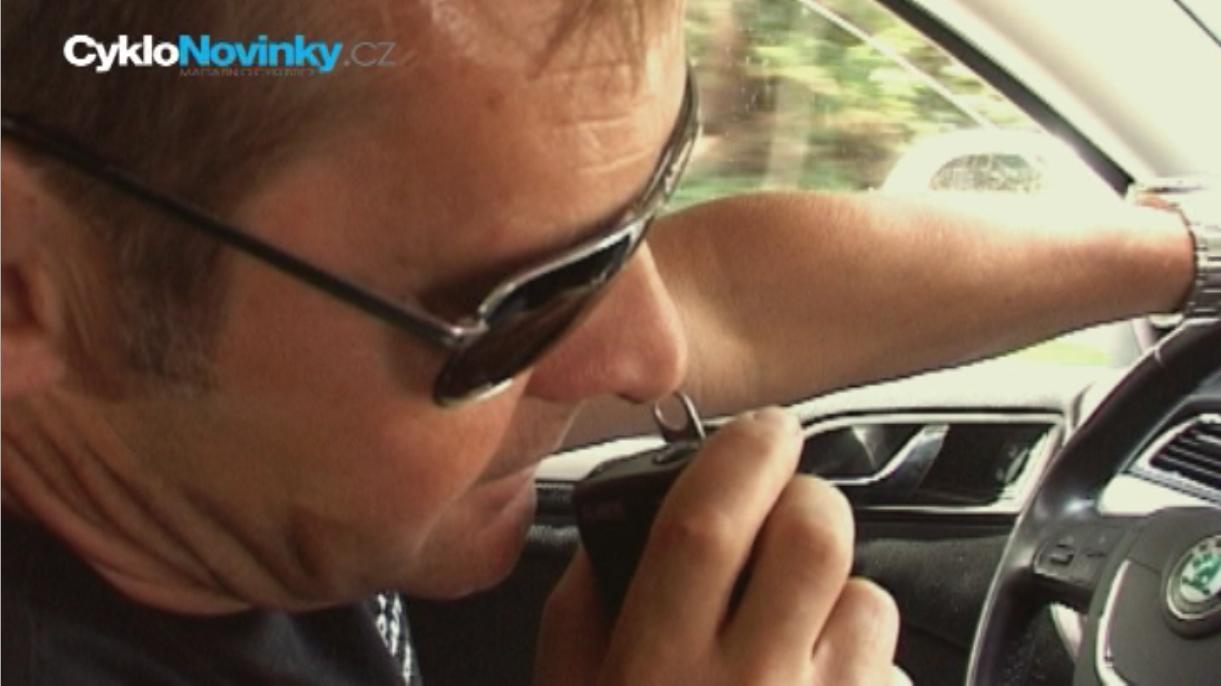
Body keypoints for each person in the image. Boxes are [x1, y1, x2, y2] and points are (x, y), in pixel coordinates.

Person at [0, 1, 1202, 684]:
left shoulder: (218, 442)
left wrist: (1186, 250)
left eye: (648, 202)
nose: (654, 354)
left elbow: (729, 293)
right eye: (526, 303)